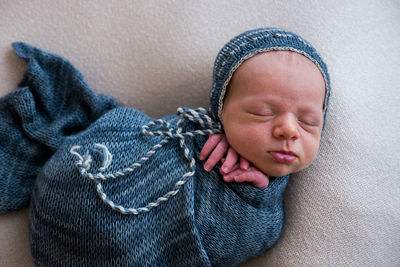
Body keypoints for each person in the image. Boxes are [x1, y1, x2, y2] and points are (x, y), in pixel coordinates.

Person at [0, 28, 330, 266]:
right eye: (261, 112)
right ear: (221, 111)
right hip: (73, 185)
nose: (288, 129)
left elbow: (252, 234)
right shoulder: (200, 133)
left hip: (119, 248)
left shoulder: (270, 213)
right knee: (125, 124)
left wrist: (260, 193)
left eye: (308, 121)